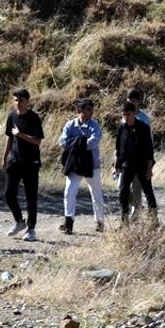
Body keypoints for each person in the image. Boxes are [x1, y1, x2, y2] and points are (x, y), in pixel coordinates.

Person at [3, 88, 44, 242]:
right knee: (8, 193)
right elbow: (9, 138)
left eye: (21, 100)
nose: (18, 103)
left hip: (31, 162)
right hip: (14, 160)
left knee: (30, 196)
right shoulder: (11, 116)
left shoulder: (33, 118)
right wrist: (5, 156)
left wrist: (20, 135)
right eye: (16, 100)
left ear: (27, 101)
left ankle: (31, 229)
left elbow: (37, 141)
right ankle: (19, 221)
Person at [58, 99, 105, 235]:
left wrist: (75, 143)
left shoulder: (94, 125)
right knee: (69, 191)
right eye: (88, 109)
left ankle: (100, 221)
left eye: (92, 109)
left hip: (92, 163)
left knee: (96, 192)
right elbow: (62, 141)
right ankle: (69, 220)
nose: (91, 112)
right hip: (74, 164)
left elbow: (94, 140)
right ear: (80, 110)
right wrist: (81, 142)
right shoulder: (70, 125)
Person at [114, 101, 156, 225]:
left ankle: (153, 219)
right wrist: (116, 166)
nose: (126, 117)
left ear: (133, 113)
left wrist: (149, 169)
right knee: (123, 190)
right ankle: (124, 220)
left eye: (128, 114)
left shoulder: (143, 128)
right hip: (127, 164)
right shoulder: (122, 128)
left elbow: (149, 151)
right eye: (123, 114)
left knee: (148, 191)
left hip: (142, 164)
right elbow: (118, 148)